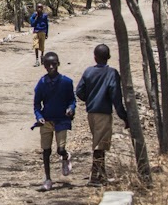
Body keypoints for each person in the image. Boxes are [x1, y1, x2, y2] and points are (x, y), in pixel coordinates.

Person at [76, 44, 129, 187]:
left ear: (95, 57)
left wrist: (91, 99)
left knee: (99, 143)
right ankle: (94, 177)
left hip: (91, 113)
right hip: (103, 113)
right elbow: (116, 97)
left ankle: (102, 175)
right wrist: (124, 116)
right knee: (99, 146)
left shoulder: (88, 72)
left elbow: (79, 91)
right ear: (108, 57)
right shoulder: (112, 73)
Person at [33, 51, 75, 192]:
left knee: (60, 148)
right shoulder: (42, 83)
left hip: (61, 120)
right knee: (46, 150)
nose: (51, 67)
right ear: (44, 65)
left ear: (58, 64)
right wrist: (39, 116)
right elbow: (37, 104)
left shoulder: (66, 82)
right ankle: (48, 179)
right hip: (46, 121)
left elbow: (72, 100)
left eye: (54, 64)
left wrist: (71, 108)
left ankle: (65, 156)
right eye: (47, 64)